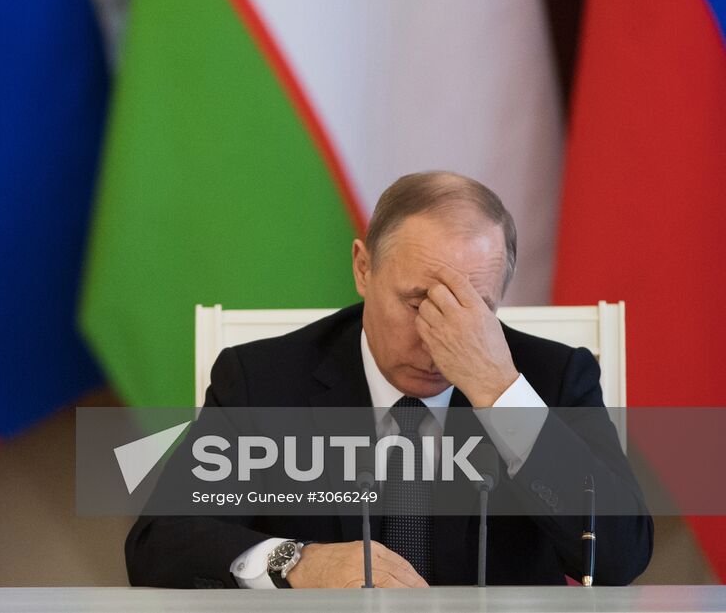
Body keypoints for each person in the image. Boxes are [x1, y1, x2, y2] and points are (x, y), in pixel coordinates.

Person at [125, 171, 652, 588]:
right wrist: (296, 562)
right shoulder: (262, 380)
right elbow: (159, 542)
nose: (436, 338)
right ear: (363, 267)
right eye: (418, 301)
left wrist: (499, 393)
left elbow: (618, 556)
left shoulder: (551, 379)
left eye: (471, 309)